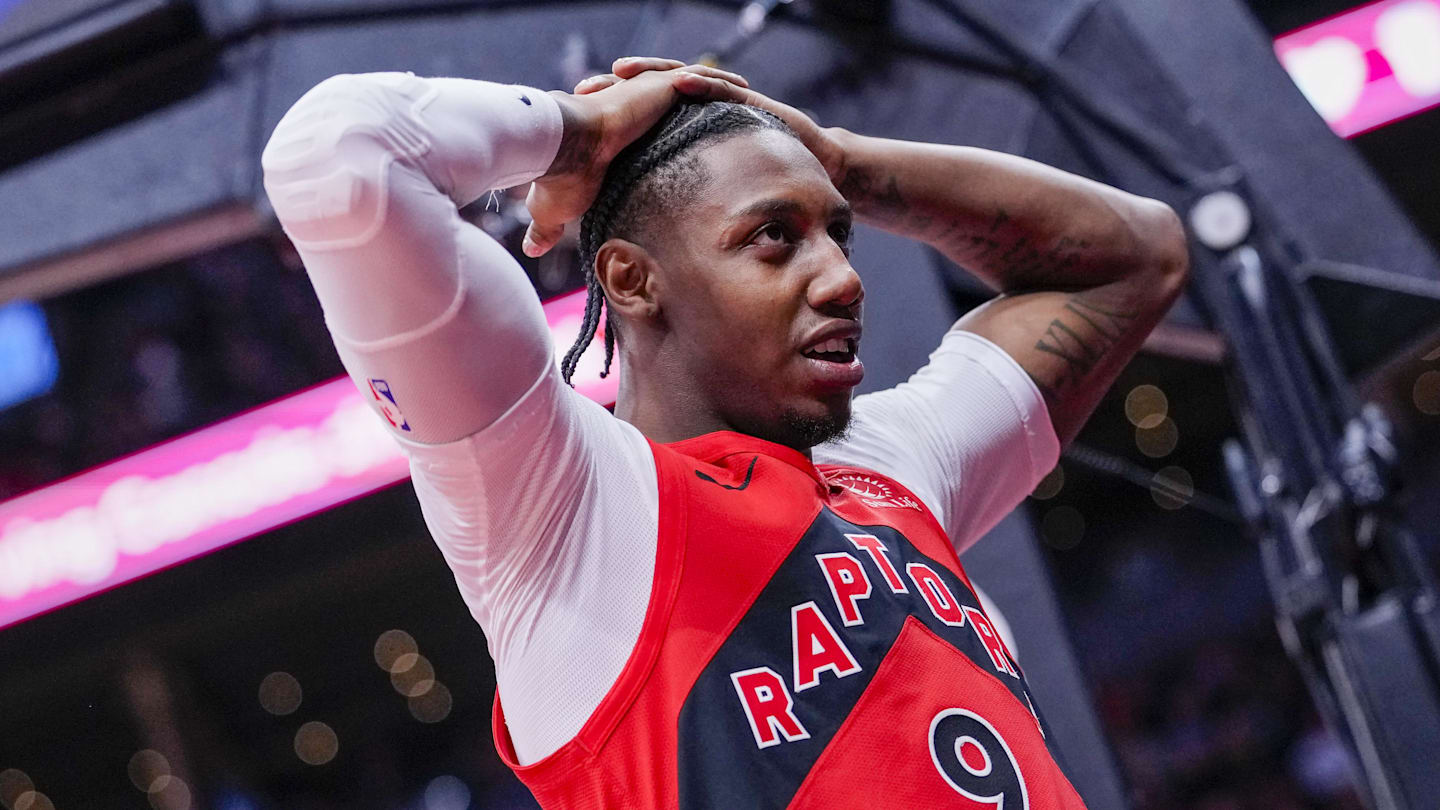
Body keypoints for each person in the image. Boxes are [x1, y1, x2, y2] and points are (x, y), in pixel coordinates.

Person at [262, 56, 1188, 808]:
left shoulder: (887, 464)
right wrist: (579, 133)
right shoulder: (564, 518)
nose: (842, 277)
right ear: (630, 282)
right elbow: (335, 158)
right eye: (774, 238)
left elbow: (1137, 257)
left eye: (840, 232)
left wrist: (838, 158)